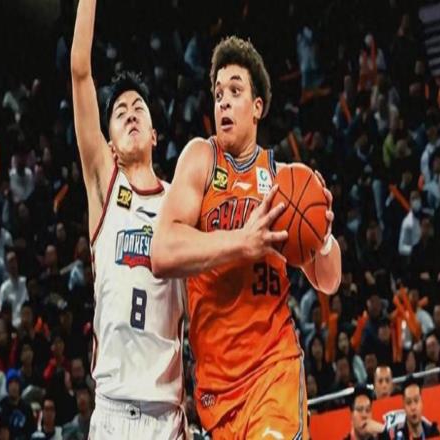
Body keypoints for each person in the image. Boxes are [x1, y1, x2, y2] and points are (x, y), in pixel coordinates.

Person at [152, 36, 341, 438]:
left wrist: (323, 237)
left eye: (235, 91)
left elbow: (328, 280)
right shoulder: (201, 159)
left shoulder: (285, 182)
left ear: (257, 107)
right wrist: (244, 242)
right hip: (217, 391)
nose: (223, 102)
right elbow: (163, 252)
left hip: (274, 370)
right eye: (218, 93)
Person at [71, 0, 185, 438]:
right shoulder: (104, 183)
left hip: (166, 416)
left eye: (139, 108)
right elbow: (80, 71)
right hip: (112, 411)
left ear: (155, 135)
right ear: (110, 144)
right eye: (119, 113)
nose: (131, 113)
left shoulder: (180, 203)